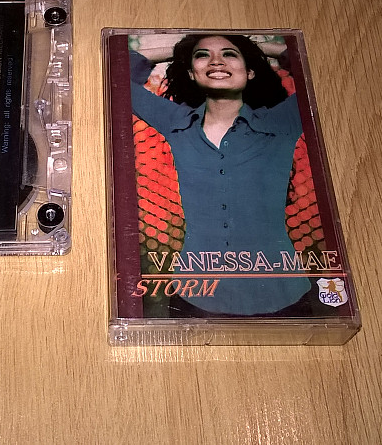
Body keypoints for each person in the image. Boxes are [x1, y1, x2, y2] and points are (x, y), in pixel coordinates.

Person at [130, 34, 311, 316]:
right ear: (191, 73)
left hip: (282, 298)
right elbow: (120, 78)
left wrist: (254, 48)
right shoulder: (176, 122)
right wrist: (183, 50)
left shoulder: (281, 123)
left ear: (250, 72)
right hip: (196, 298)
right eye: (203, 56)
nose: (216, 61)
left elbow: (317, 73)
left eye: (229, 54)